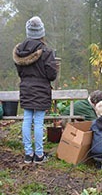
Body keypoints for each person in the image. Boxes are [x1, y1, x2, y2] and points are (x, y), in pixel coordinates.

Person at [13, 16, 57, 164]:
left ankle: (27, 154)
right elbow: (52, 75)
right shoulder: (46, 51)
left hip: (25, 88)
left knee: (26, 120)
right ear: (41, 32)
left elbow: (20, 72)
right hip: (41, 90)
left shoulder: (19, 50)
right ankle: (39, 155)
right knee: (38, 122)